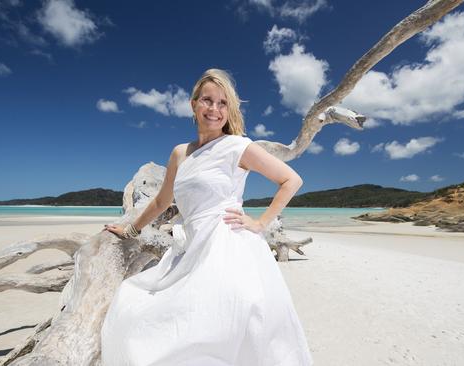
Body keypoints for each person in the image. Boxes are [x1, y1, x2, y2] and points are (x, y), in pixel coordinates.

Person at [101, 68, 313, 365]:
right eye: (207, 100)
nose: (214, 109)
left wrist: (260, 223)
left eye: (223, 103)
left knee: (221, 324)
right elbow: (162, 201)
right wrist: (131, 230)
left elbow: (291, 180)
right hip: (190, 247)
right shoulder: (180, 153)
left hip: (227, 247)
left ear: (230, 109)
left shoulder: (238, 146)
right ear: (193, 104)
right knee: (137, 306)